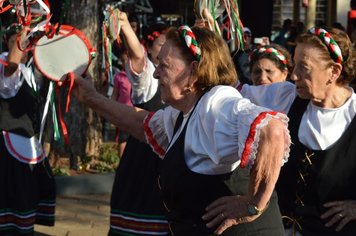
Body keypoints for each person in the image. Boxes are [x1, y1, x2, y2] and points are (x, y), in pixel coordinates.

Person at [72, 25, 291, 235]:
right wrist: (91, 98)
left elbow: (272, 130)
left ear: (194, 71)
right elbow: (142, 124)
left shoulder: (216, 104)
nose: (156, 74)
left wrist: (252, 204)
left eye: (163, 66)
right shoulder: (183, 112)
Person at [240, 27, 356, 235]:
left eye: (304, 68)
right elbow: (234, 92)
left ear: (334, 72)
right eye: (294, 65)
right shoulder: (287, 96)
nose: (293, 76)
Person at [108, 12, 170, 235]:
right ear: (151, 50)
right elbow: (136, 57)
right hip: (145, 157)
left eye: (172, 46)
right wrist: (124, 26)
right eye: (161, 44)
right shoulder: (149, 78)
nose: (165, 49)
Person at [0, 25, 56, 235]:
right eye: (20, 41)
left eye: (28, 41)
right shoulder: (5, 64)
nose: (25, 44)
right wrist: (24, 33)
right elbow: (10, 68)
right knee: (11, 213)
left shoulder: (34, 69)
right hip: (8, 149)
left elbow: (43, 107)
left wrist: (46, 140)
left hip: (28, 147)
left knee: (25, 212)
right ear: (9, 41)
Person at [110, 42, 133, 158]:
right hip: (122, 113)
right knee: (122, 140)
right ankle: (121, 164)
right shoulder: (119, 76)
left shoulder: (136, 77)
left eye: (127, 60)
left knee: (134, 140)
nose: (125, 63)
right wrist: (112, 111)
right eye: (123, 61)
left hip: (135, 112)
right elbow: (114, 95)